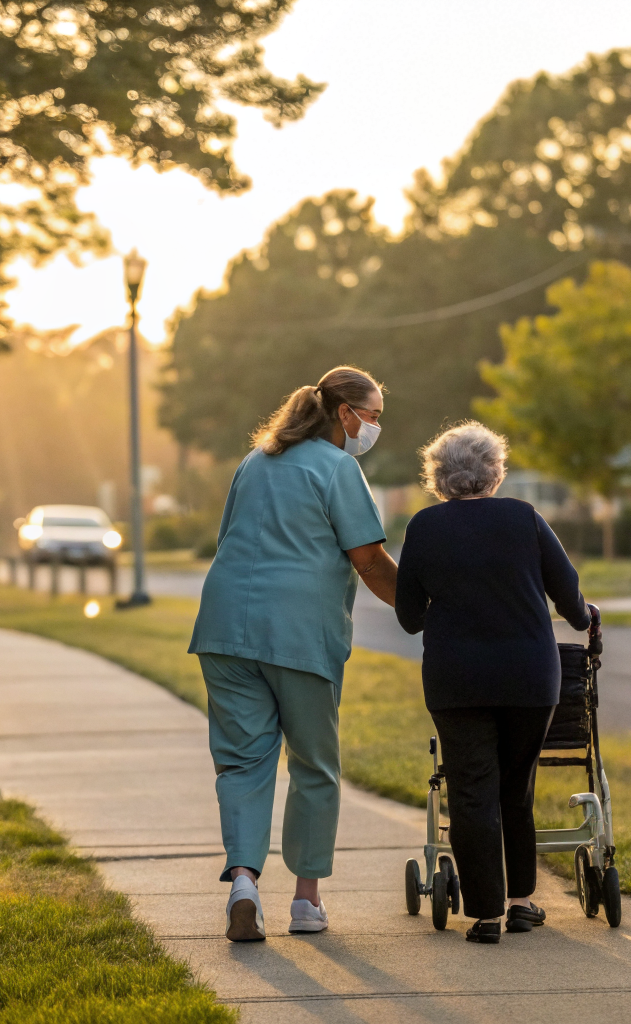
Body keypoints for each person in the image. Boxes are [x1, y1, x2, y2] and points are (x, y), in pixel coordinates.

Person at [189, 365, 398, 942]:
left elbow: (230, 537)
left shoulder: (255, 461)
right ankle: (306, 901)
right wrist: (428, 609)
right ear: (344, 414)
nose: (375, 427)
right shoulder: (339, 468)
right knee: (314, 764)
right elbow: (371, 561)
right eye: (372, 416)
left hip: (225, 630)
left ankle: (244, 885)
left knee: (242, 762)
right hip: (298, 634)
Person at [394, 421, 596, 944]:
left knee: (471, 791)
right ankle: (521, 902)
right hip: (529, 676)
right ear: (494, 472)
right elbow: (568, 592)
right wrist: (584, 617)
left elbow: (410, 617)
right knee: (515, 788)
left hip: (456, 678)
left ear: (438, 476)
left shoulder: (423, 527)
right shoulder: (524, 518)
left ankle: (485, 914)